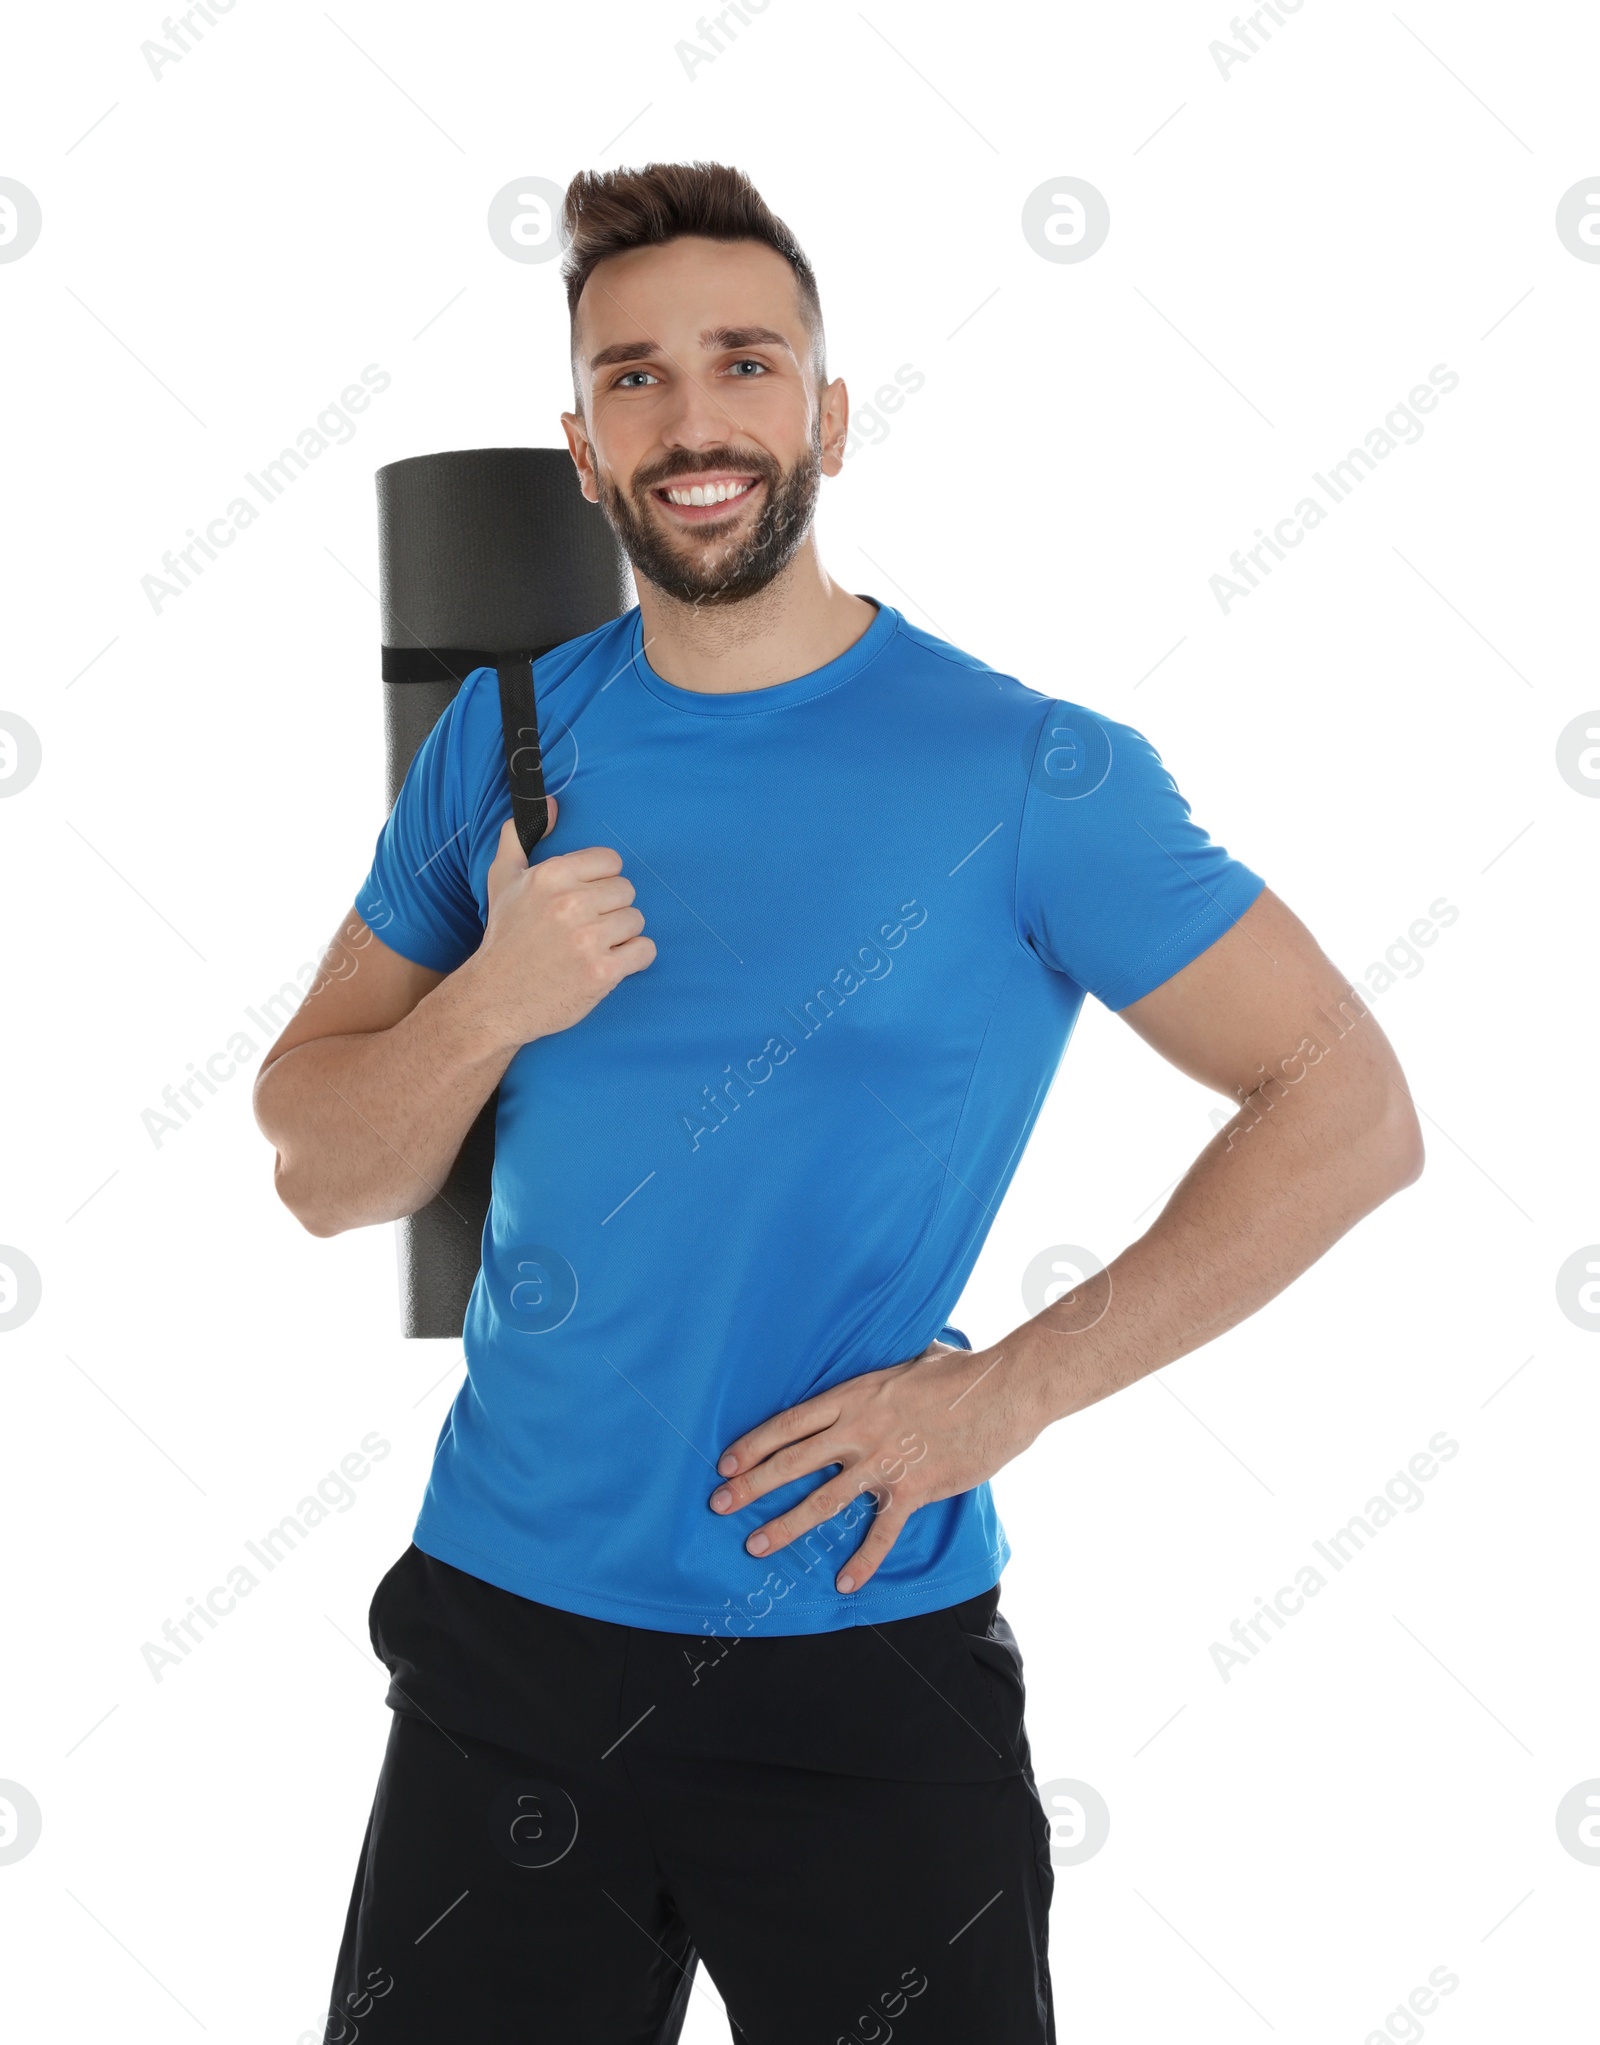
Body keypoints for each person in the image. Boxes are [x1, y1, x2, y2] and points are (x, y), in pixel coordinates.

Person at [253, 160, 1423, 2045]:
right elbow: (319, 1165)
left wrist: (1007, 1390)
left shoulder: (1033, 770)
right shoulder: (505, 734)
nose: (693, 417)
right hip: (503, 1647)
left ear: (831, 413)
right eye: (633, 376)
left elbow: (1348, 1104)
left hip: (855, 1658)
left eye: (745, 362)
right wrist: (492, 1000)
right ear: (577, 444)